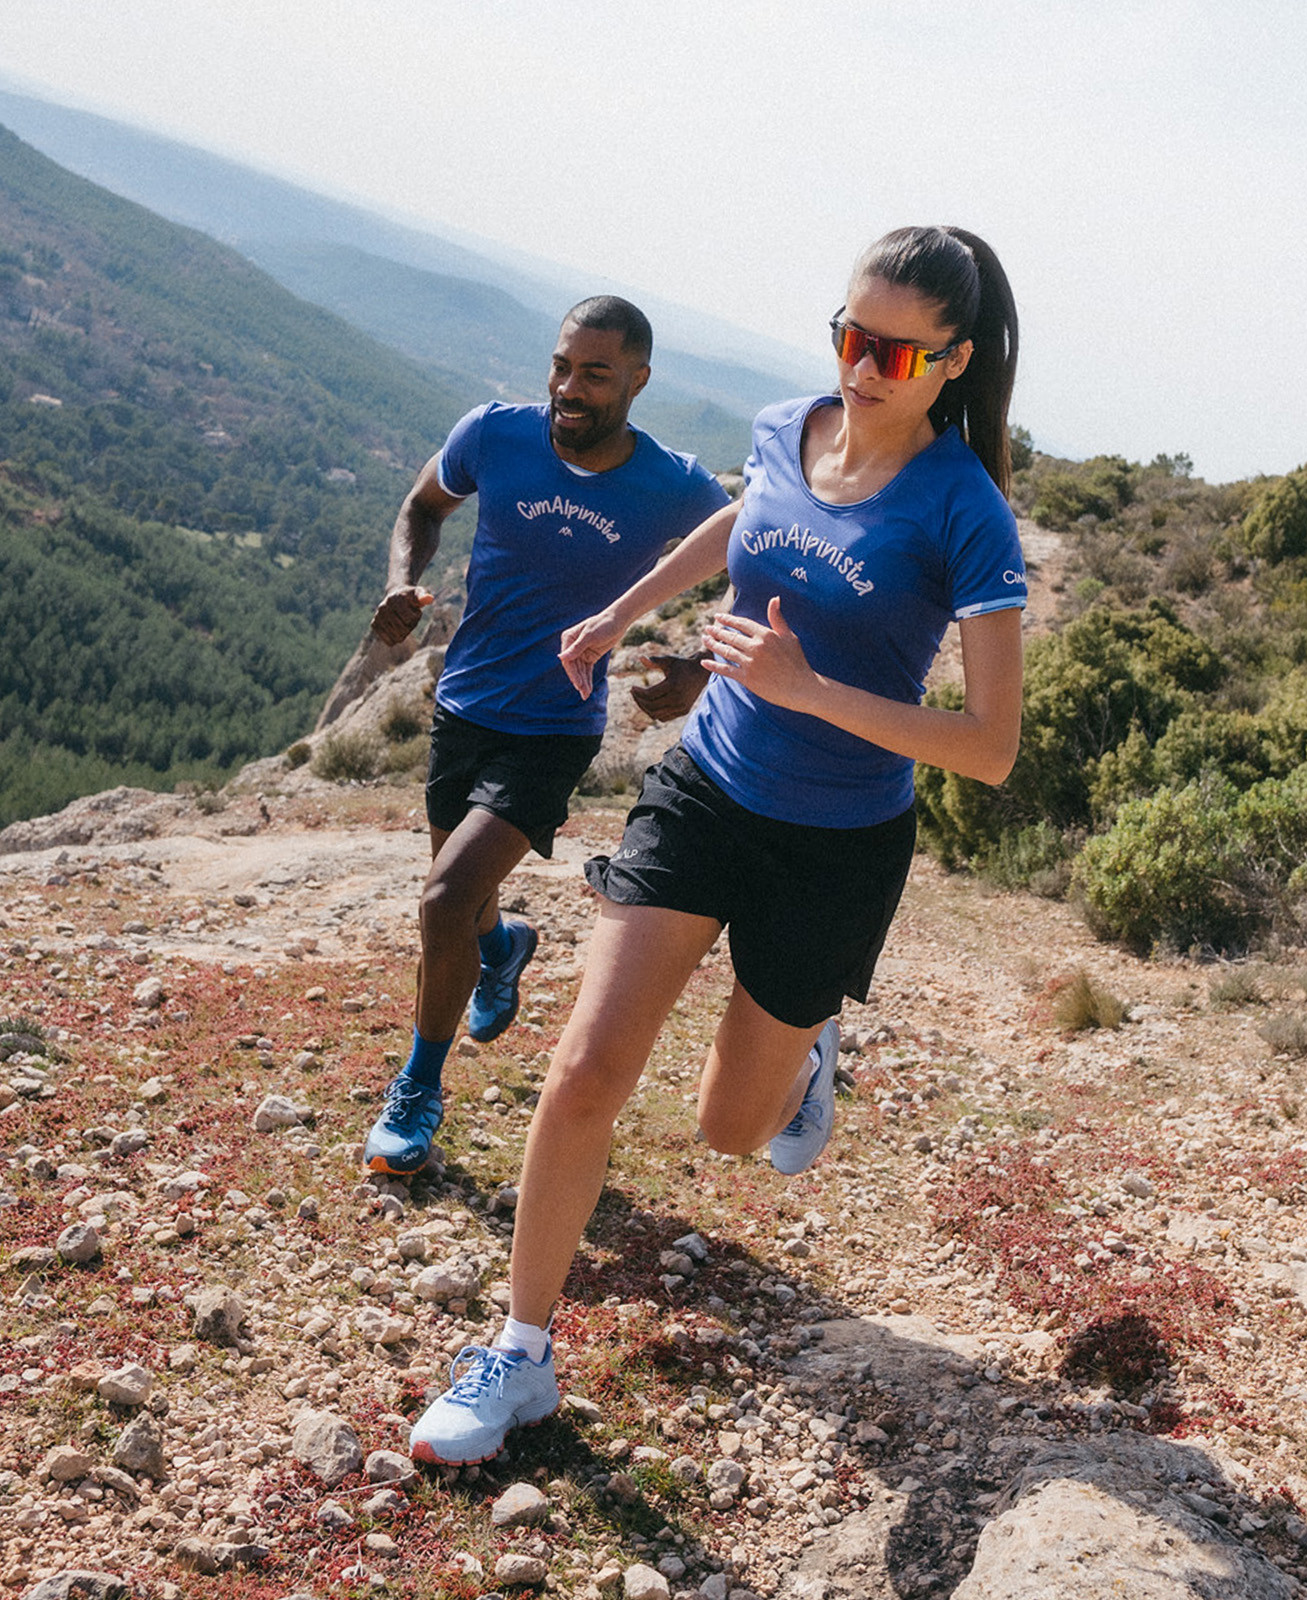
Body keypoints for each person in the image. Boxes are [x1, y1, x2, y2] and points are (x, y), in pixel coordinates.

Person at [407, 227, 1027, 1466]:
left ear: (951, 362)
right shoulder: (785, 423)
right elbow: (744, 521)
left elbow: (989, 745)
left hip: (837, 841)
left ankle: (799, 1052)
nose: (860, 369)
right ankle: (519, 1354)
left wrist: (810, 689)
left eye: (894, 353)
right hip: (704, 789)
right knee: (585, 1068)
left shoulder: (964, 511)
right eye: (847, 335)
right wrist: (620, 609)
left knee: (729, 1132)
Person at [362, 296, 730, 1176]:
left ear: (638, 381)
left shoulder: (675, 486)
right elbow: (422, 507)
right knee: (468, 900)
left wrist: (698, 664)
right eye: (562, 366)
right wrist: (406, 586)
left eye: (595, 374)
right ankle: (505, 947)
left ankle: (418, 1090)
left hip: (556, 725)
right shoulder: (495, 434)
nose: (568, 387)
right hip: (464, 706)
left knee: (446, 896)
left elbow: (755, 568)